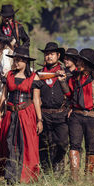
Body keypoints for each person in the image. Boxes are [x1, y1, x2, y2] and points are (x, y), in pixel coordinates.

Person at [0, 46, 43, 184]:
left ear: (26, 61)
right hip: (10, 113)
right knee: (9, 143)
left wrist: (39, 120)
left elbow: (36, 100)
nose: (17, 62)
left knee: (24, 144)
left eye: (20, 60)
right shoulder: (9, 75)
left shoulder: (34, 77)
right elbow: (3, 96)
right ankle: (10, 176)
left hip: (26, 114)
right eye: (15, 60)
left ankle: (25, 175)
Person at [59, 48, 94, 181]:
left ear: (86, 63)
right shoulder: (74, 78)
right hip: (76, 115)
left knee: (91, 147)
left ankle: (88, 177)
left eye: (80, 61)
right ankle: (74, 177)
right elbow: (69, 95)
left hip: (92, 117)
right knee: (74, 145)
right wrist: (63, 81)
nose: (78, 63)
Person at [34, 42, 69, 175]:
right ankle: (46, 171)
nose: (49, 57)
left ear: (58, 55)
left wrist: (63, 79)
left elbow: (70, 93)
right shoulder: (39, 74)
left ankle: (59, 166)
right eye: (47, 54)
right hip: (44, 113)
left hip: (61, 114)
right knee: (44, 144)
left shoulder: (66, 72)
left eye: (52, 54)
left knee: (62, 143)